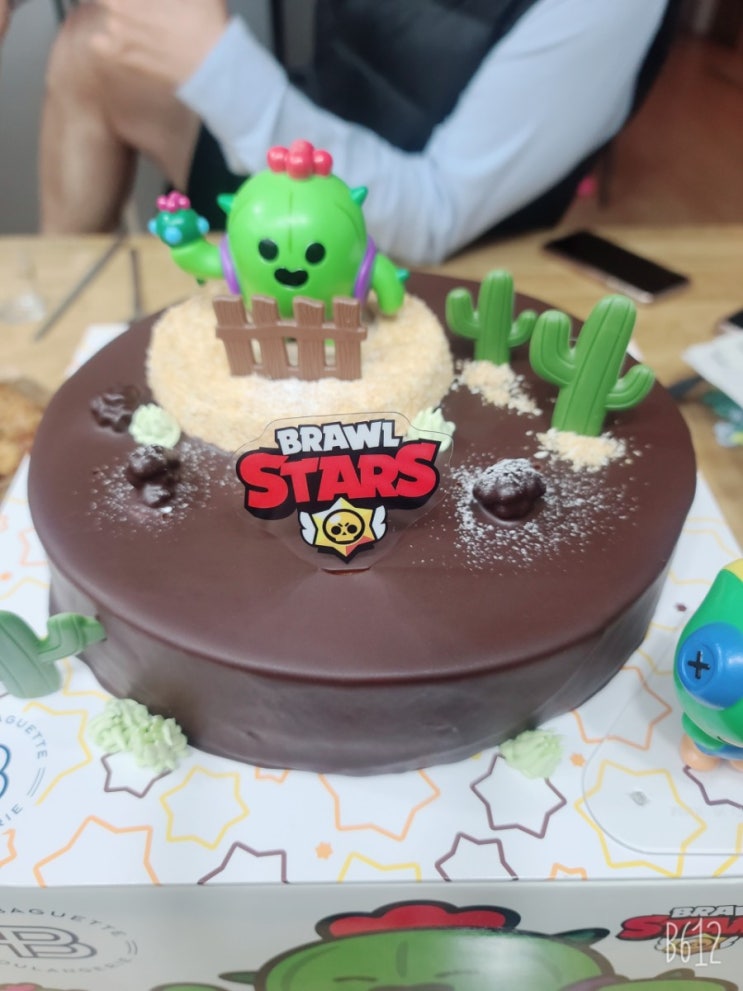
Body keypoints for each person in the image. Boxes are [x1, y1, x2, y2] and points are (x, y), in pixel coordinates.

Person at [39, 0, 676, 266]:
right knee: (89, 46)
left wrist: (216, 67)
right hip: (309, 139)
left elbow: (435, 217)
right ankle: (52, 298)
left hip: (418, 252)